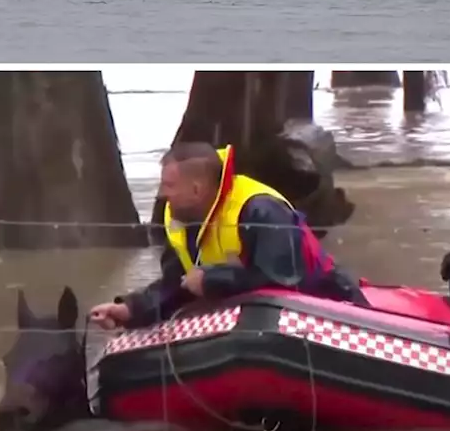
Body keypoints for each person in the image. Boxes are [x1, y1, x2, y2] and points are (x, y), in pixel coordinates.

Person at [90, 141, 368, 330]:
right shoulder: (179, 220)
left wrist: (212, 280)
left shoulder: (260, 210)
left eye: (169, 185)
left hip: (323, 298)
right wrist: (130, 309)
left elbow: (283, 280)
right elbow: (177, 285)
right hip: (243, 316)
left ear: (197, 190)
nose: (162, 194)